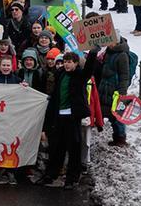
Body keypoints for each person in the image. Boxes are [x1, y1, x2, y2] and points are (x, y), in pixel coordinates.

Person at [39, 50, 100, 187]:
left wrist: (92, 53)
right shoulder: (60, 74)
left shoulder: (80, 75)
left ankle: (71, 178)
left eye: (69, 62)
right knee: (56, 147)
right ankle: (51, 174)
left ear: (76, 63)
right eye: (65, 62)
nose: (66, 64)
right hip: (59, 116)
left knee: (73, 148)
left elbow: (89, 69)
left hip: (72, 117)